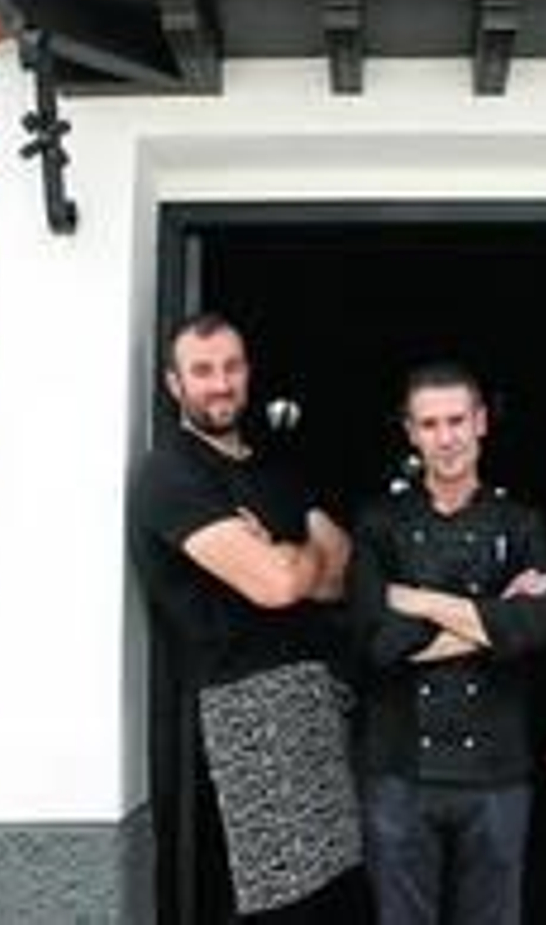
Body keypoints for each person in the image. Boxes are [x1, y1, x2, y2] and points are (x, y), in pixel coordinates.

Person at [128, 312, 369, 923]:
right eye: (202, 370)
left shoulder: (273, 470)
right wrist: (297, 562)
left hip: (315, 706)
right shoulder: (170, 474)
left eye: (231, 367)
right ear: (175, 384)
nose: (220, 383)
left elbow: (345, 571)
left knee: (333, 898)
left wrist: (289, 559)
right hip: (245, 717)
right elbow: (278, 584)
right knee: (279, 904)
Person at [349, 362, 546, 925]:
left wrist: (415, 600)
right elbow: (375, 642)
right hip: (398, 769)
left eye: (456, 421)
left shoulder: (520, 523)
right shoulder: (379, 523)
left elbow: (537, 627)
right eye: (430, 424)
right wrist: (494, 619)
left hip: (497, 770)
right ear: (411, 432)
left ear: (481, 422)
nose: (446, 438)